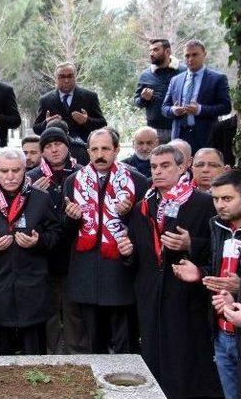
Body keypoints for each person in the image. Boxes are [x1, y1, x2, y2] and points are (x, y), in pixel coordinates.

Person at [121, 144, 222, 398]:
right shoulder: (142, 207)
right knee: (153, 357)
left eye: (165, 166)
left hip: (187, 297)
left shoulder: (205, 204)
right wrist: (127, 252)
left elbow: (221, 251)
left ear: (182, 167)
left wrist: (192, 245)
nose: (158, 172)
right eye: (154, 167)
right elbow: (136, 254)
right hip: (150, 295)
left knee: (185, 359)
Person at [0, 147, 61, 355]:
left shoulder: (40, 198)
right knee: (2, 358)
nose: (10, 176)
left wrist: (39, 241)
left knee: (34, 353)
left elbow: (57, 235)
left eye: (16, 170)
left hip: (33, 285)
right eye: (4, 171)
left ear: (25, 169)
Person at [63, 128, 148, 354]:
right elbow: (65, 232)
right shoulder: (73, 181)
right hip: (87, 272)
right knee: (94, 343)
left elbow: (145, 229)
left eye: (105, 149)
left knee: (125, 343)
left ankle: (130, 389)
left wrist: (129, 213)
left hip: (120, 272)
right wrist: (71, 218)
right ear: (88, 151)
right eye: (94, 149)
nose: (100, 154)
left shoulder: (137, 181)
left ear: (117, 150)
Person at [172, 170, 241, 399]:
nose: (220, 205)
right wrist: (199, 273)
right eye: (215, 198)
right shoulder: (217, 225)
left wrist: (239, 289)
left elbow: (235, 283)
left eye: (227, 198)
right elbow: (218, 270)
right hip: (221, 332)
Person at [27, 127, 84, 354]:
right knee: (49, 308)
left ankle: (77, 351)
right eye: (48, 146)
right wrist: (30, 195)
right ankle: (53, 352)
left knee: (73, 307)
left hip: (74, 250)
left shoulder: (81, 173)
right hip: (44, 251)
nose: (54, 149)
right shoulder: (31, 177)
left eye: (58, 144)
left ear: (67, 146)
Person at [162, 39, 232, 153]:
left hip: (206, 137)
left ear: (204, 54)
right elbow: (164, 107)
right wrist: (173, 110)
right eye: (187, 56)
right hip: (179, 136)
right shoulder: (175, 80)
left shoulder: (218, 79)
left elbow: (226, 107)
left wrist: (200, 110)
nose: (190, 59)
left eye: (194, 55)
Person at [33, 62, 106, 142]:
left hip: (82, 148)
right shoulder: (45, 100)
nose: (66, 80)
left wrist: (86, 121)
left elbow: (102, 124)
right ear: (56, 78)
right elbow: (36, 128)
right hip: (55, 148)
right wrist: (47, 123)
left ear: (75, 77)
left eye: (70, 76)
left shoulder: (89, 97)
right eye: (62, 77)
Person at [133, 39, 187, 144]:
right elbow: (137, 102)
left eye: (156, 50)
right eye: (150, 50)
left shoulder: (184, 72)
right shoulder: (146, 75)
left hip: (181, 128)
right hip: (154, 131)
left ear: (167, 52)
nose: (151, 53)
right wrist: (143, 99)